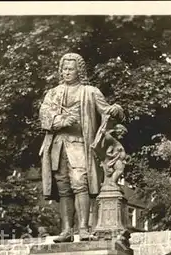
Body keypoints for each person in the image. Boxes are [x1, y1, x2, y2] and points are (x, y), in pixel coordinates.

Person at [39, 53, 124, 242]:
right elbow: (44, 114)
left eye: (71, 69)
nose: (67, 72)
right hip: (58, 147)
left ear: (79, 71)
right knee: (63, 189)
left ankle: (84, 228)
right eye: (64, 69)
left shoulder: (91, 91)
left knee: (80, 184)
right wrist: (60, 120)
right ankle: (67, 230)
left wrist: (116, 110)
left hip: (79, 145)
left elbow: (107, 111)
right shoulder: (53, 93)